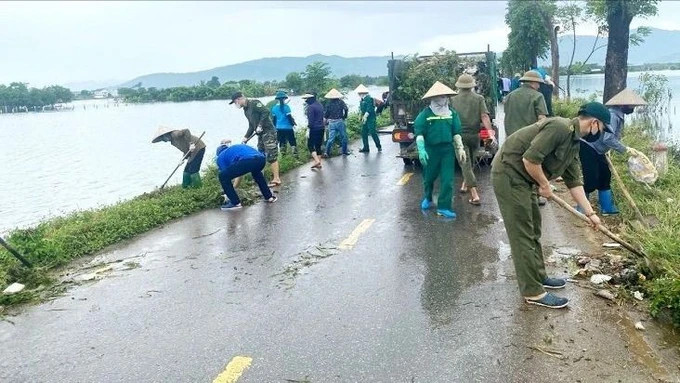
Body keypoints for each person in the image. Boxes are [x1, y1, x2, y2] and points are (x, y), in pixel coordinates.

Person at [491, 102, 610, 309]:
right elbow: (530, 159)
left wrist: (591, 214)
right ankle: (532, 291)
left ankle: (538, 276)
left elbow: (574, 182)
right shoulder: (559, 127)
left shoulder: (574, 142)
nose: (600, 132)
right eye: (602, 128)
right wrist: (545, 185)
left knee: (534, 229)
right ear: (595, 122)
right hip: (509, 175)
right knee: (523, 235)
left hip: (525, 180)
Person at [577, 88, 647, 215]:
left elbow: (607, 138)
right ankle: (581, 209)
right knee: (591, 179)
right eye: (631, 105)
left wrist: (608, 150)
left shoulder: (617, 115)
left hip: (599, 150)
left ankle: (607, 208)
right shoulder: (614, 116)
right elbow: (608, 138)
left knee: (605, 176)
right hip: (589, 147)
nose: (633, 108)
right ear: (622, 105)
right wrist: (625, 149)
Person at [415, 81, 466, 219]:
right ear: (433, 98)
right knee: (429, 177)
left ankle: (444, 207)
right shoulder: (425, 114)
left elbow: (456, 132)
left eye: (444, 96)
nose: (442, 99)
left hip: (447, 151)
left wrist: (460, 148)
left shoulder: (451, 114)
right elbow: (419, 133)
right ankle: (428, 196)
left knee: (448, 179)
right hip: (431, 150)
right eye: (439, 97)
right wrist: (421, 149)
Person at [451, 74, 492, 206]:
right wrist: (490, 133)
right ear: (471, 86)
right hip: (475, 136)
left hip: (458, 137)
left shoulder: (452, 99)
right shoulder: (479, 98)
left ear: (459, 86)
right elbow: (484, 116)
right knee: (471, 162)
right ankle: (464, 185)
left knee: (465, 164)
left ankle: (474, 195)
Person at [230, 91, 282, 187]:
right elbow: (251, 125)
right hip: (260, 134)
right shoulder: (245, 110)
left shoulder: (254, 103)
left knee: (271, 155)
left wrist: (260, 125)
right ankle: (260, 178)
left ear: (239, 99)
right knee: (260, 155)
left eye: (235, 102)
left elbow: (266, 111)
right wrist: (246, 137)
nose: (235, 104)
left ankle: (276, 179)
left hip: (268, 131)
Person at [215, 140, 277, 210]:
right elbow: (239, 172)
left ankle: (235, 203)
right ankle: (269, 197)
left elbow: (226, 174)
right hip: (261, 160)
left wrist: (228, 191)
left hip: (246, 161)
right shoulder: (234, 148)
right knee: (257, 173)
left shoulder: (220, 156)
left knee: (222, 176)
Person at [503, 70, 548, 137]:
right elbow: (542, 118)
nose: (539, 86)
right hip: (529, 138)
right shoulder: (537, 96)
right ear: (533, 82)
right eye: (538, 83)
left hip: (511, 137)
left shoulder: (510, 95)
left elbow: (507, 116)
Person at [323, 88, 349, 156]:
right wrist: (345, 116)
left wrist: (324, 123)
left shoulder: (328, 104)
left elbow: (326, 115)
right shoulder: (341, 102)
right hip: (340, 121)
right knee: (343, 137)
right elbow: (346, 109)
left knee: (331, 138)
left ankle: (327, 152)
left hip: (331, 123)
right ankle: (344, 151)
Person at [356, 84, 382, 153]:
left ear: (362, 93)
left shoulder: (369, 98)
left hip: (371, 118)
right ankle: (366, 148)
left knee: (372, 132)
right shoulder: (362, 100)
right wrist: (360, 116)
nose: (358, 94)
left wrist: (365, 116)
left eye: (359, 93)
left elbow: (370, 108)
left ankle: (378, 146)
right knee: (363, 133)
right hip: (365, 119)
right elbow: (361, 109)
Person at [303, 93, 325, 169]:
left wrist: (308, 128)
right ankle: (319, 163)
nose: (306, 101)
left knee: (310, 145)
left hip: (314, 129)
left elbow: (311, 121)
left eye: (307, 99)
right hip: (321, 128)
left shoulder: (311, 107)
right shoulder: (320, 105)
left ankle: (316, 161)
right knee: (318, 146)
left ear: (310, 99)